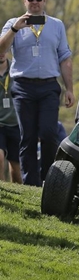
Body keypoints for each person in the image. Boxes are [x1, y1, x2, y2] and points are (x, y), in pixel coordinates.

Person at [0, 0, 74, 186]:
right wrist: (15, 28)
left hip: (49, 86)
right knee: (28, 137)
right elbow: (1, 49)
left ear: (44, 1)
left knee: (49, 133)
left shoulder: (56, 25)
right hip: (23, 87)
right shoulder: (13, 24)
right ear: (24, 1)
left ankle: (47, 180)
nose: (34, 2)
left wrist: (69, 89)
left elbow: (65, 58)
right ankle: (31, 184)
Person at [0, 52, 22, 183]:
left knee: (17, 169)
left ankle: (19, 195)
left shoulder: (17, 68)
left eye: (3, 49)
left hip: (16, 124)